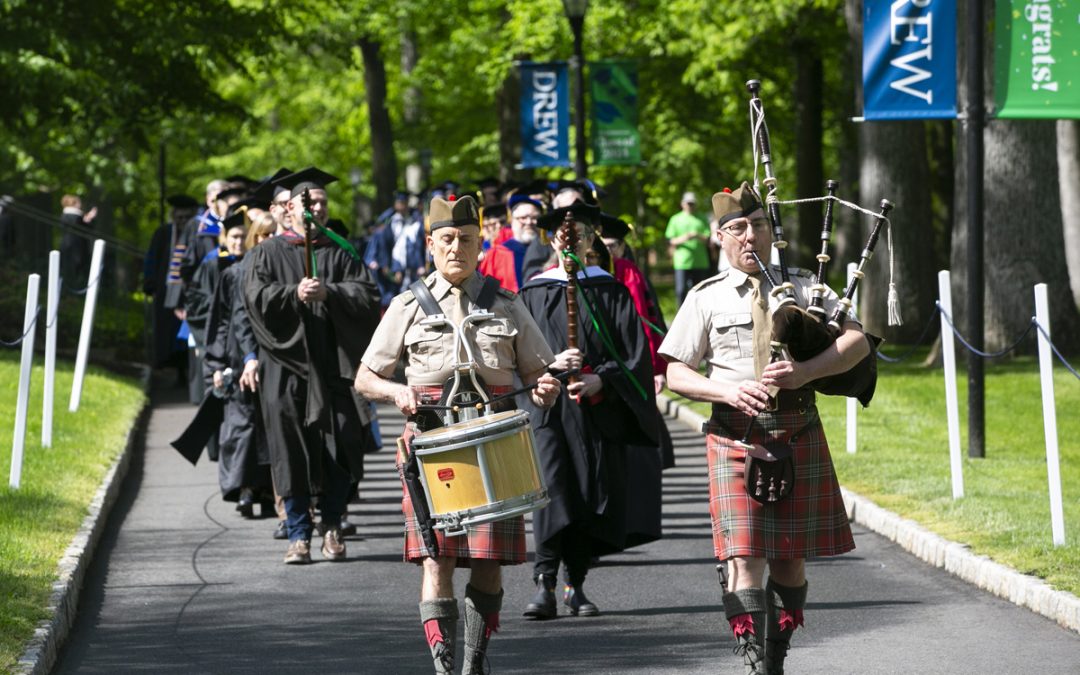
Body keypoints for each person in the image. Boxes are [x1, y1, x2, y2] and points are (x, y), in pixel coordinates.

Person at [659, 183, 866, 675]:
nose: (749, 236)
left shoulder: (804, 286)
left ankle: (775, 655)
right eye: (737, 228)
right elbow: (673, 371)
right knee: (745, 557)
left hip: (797, 429)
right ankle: (754, 665)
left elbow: (857, 340)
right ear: (719, 237)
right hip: (734, 433)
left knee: (790, 562)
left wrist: (807, 372)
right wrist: (726, 391)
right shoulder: (704, 297)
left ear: (772, 231)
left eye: (758, 225)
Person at [355, 195, 560, 675]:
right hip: (430, 446)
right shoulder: (407, 305)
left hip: (497, 445)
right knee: (437, 560)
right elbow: (365, 378)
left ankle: (474, 661)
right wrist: (397, 391)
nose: (456, 248)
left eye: (466, 240)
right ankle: (445, 666)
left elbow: (542, 375)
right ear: (430, 244)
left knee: (488, 564)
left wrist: (548, 386)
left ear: (480, 244)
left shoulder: (508, 304)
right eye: (446, 239)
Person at [518, 200, 659, 621]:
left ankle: (574, 584)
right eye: (565, 231)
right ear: (550, 237)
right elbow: (515, 355)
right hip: (547, 409)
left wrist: (602, 379)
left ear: (591, 236)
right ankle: (543, 582)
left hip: (595, 410)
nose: (571, 238)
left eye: (580, 230)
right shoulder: (532, 292)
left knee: (585, 492)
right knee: (551, 489)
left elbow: (634, 357)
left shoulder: (609, 291)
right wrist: (548, 367)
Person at [243, 167, 381, 565]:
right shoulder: (265, 254)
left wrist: (331, 292)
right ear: (288, 209)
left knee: (342, 442)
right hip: (286, 368)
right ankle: (299, 533)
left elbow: (369, 297)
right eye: (309, 202)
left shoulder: (342, 251)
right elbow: (255, 300)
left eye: (322, 202)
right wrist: (293, 293)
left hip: (335, 367)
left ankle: (333, 525)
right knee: (291, 449)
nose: (316, 208)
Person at [204, 210, 275, 518]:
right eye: (260, 236)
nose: (266, 241)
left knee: (269, 427)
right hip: (238, 359)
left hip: (273, 360)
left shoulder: (282, 271)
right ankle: (244, 488)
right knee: (242, 427)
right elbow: (220, 322)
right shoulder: (233, 274)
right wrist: (216, 364)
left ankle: (269, 491)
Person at [144, 194, 199, 382]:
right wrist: (150, 284)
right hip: (166, 291)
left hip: (191, 292)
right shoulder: (163, 233)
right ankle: (175, 370)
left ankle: (187, 371)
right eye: (179, 217)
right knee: (167, 333)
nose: (182, 221)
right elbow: (152, 258)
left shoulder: (197, 233)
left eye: (186, 217)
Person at [665, 191, 712, 306]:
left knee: (700, 291)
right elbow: (670, 240)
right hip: (682, 262)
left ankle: (701, 316)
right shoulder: (675, 219)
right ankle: (681, 315)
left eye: (692, 203)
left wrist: (696, 235)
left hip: (700, 262)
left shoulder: (702, 218)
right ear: (682, 204)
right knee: (681, 291)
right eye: (688, 203)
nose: (690, 206)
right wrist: (686, 237)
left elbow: (708, 238)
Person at [59, 194, 98, 284]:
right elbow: (86, 228)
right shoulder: (76, 216)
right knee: (77, 269)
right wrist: (89, 218)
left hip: (66, 245)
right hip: (77, 247)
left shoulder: (65, 215)